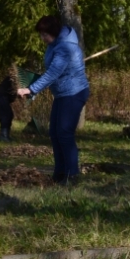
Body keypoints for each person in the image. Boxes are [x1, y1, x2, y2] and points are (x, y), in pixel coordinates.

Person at [17, 15, 90, 183]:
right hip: (62, 94)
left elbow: (52, 73)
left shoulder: (65, 48)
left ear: (54, 31)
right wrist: (32, 91)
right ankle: (59, 174)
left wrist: (30, 89)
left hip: (74, 93)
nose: (42, 38)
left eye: (44, 34)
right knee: (55, 133)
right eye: (41, 34)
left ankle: (72, 175)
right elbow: (52, 72)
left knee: (64, 133)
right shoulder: (54, 44)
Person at [0, 74, 18, 142]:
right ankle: (3, 136)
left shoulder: (15, 78)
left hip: (3, 96)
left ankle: (6, 135)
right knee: (6, 115)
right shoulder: (14, 78)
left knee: (9, 114)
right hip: (2, 96)